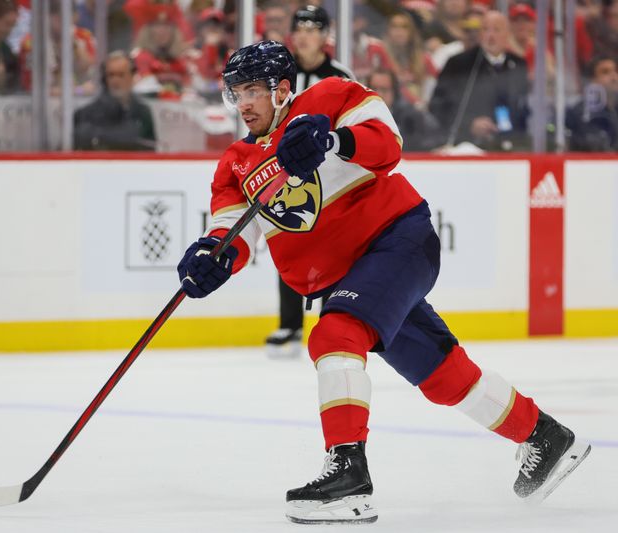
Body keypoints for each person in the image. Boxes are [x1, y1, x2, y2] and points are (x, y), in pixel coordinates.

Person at [175, 40, 591, 524]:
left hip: (398, 241)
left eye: (252, 91)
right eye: (234, 93)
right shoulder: (234, 164)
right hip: (349, 278)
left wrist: (334, 140)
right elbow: (231, 231)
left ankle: (349, 473)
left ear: (282, 90)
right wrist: (213, 258)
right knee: (442, 375)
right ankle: (545, 438)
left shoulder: (330, 97)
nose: (243, 104)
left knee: (335, 333)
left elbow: (387, 143)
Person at [264, 4, 354, 359]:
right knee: (289, 241)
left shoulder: (340, 74)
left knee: (335, 248)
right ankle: (290, 324)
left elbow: (353, 122)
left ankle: (332, 320)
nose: (303, 35)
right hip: (288, 173)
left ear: (324, 35)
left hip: (331, 174)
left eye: (311, 28)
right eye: (298, 28)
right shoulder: (282, 75)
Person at [429, 10, 529, 150]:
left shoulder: (519, 65)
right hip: (467, 144)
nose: (490, 35)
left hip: (512, 145)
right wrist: (469, 124)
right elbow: (438, 106)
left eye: (496, 30)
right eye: (485, 29)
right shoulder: (458, 64)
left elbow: (526, 107)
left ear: (507, 34)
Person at [73, 50, 156, 151]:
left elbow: (151, 151)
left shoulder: (143, 113)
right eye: (111, 75)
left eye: (121, 75)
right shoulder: (86, 114)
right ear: (104, 79)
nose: (115, 80)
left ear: (132, 77)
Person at [366, 67, 444, 151]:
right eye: (374, 89)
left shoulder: (411, 117)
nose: (379, 94)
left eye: (384, 89)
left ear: (394, 91)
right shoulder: (359, 117)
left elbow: (432, 141)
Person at [567, 55, 618, 152]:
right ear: (593, 80)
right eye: (605, 72)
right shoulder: (580, 113)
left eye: (616, 71)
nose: (613, 77)